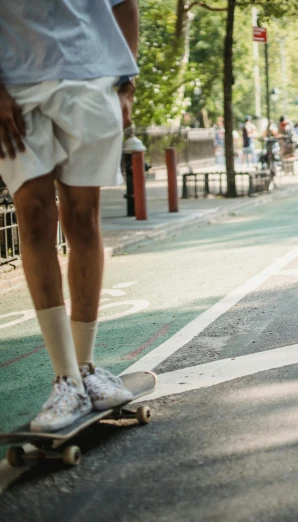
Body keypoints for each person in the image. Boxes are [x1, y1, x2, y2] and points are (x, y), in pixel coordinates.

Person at [0, 0, 139, 432]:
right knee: (34, 215)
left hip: (91, 78)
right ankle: (65, 380)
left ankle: (87, 367)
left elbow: (123, 4)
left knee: (83, 218)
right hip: (14, 86)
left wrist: (126, 85)